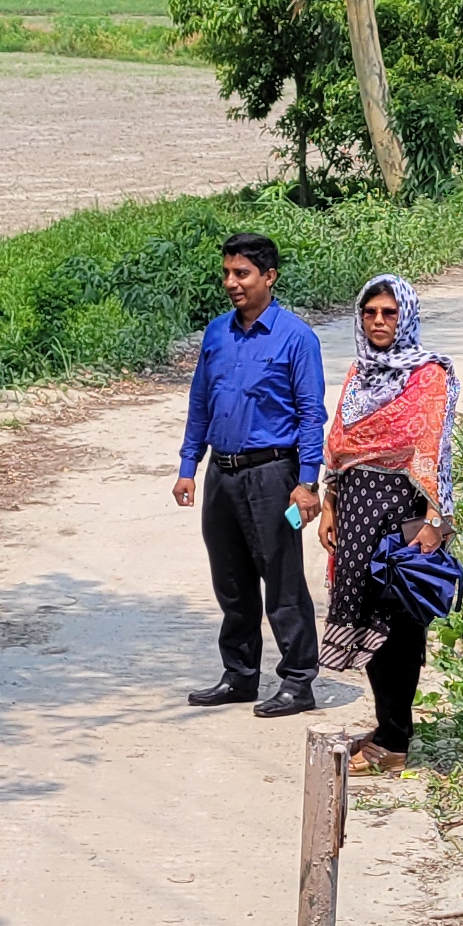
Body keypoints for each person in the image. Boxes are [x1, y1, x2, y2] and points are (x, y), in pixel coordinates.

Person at [172, 231, 326, 716]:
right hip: (223, 472)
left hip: (273, 477)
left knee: (281, 581)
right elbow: (201, 401)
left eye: (242, 274)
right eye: (227, 273)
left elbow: (310, 415)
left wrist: (307, 483)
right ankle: (239, 676)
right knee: (231, 581)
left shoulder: (297, 337)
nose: (231, 283)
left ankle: (298, 681)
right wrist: (187, 467)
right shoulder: (218, 333)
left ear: (269, 277)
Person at [319, 274, 454, 772]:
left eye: (389, 313)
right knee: (365, 621)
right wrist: (331, 502)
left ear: (407, 317)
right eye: (370, 313)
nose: (378, 322)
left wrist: (436, 520)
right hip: (354, 511)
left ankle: (394, 743)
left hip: (401, 512)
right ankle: (386, 724)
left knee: (397, 628)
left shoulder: (429, 375)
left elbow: (435, 449)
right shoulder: (360, 372)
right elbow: (339, 443)